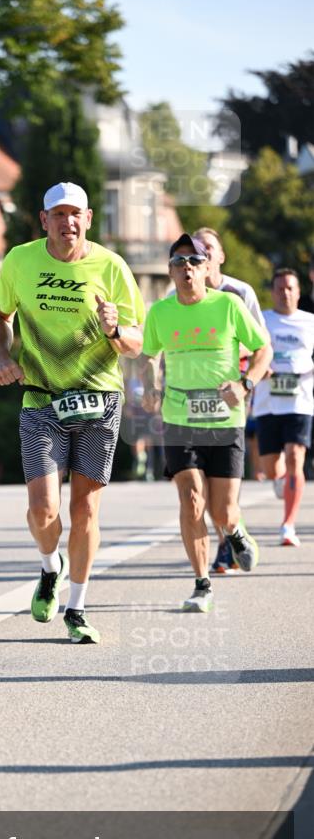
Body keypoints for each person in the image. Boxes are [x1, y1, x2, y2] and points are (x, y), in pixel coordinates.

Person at [0, 181, 145, 643]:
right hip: (40, 399)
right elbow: (0, 317)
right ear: (44, 221)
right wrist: (2, 357)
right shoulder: (20, 260)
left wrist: (116, 330)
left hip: (99, 402)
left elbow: (136, 344)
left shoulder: (112, 267)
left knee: (86, 510)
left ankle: (76, 607)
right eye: (58, 214)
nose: (68, 222)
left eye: (75, 214)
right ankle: (48, 565)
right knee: (42, 510)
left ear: (89, 219)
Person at [142, 234, 272, 613]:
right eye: (179, 263)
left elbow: (264, 349)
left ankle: (234, 530)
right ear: (169, 271)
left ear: (207, 269)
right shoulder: (161, 312)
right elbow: (149, 354)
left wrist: (245, 384)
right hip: (179, 419)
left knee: (222, 511)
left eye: (194, 263)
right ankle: (202, 584)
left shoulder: (229, 305)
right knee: (191, 499)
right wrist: (152, 386)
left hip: (225, 421)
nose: (187, 270)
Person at [192, 227, 270, 573]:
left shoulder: (240, 291)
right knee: (203, 477)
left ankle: (226, 542)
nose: (203, 253)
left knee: (222, 470)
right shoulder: (183, 291)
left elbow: (261, 343)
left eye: (209, 247)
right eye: (197, 248)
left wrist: (245, 375)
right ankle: (230, 533)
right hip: (194, 393)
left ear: (221, 256)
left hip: (232, 390)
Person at [253, 269, 314, 547]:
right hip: (267, 404)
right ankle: (281, 482)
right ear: (272, 291)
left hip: (300, 402)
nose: (285, 293)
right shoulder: (262, 321)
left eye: (290, 288)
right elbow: (244, 353)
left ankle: (288, 524)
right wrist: (257, 369)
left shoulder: (310, 322)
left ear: (298, 292)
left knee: (294, 457)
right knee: (272, 466)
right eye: (279, 288)